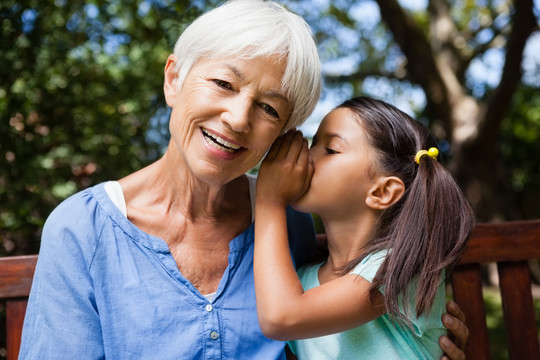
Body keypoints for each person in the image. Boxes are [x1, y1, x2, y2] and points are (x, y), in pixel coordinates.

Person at [19, 1, 468, 359]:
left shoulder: (291, 221)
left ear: (284, 132)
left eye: (269, 109)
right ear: (174, 78)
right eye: (223, 83)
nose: (236, 118)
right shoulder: (83, 229)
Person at [254, 96, 474, 359]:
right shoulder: (301, 280)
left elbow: (280, 317)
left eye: (330, 149)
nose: (305, 156)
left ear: (382, 192)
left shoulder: (399, 269)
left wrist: (269, 199)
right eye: (313, 144)